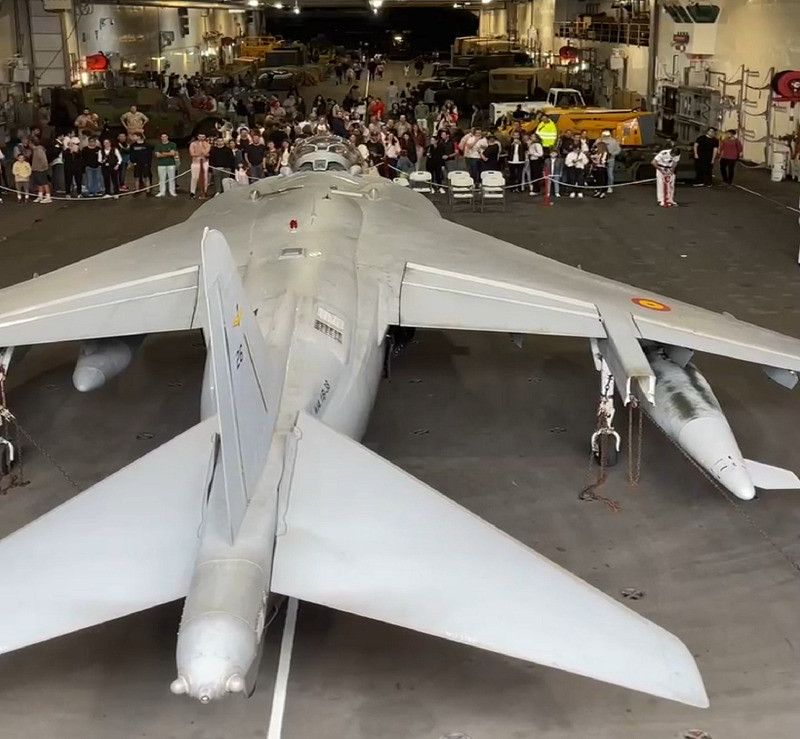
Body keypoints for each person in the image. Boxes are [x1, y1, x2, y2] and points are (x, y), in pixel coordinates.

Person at [154, 132, 179, 197]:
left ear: (167, 137)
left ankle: (172, 191)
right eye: (163, 137)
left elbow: (173, 153)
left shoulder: (173, 144)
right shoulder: (158, 145)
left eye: (165, 136)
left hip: (171, 164)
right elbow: (157, 155)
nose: (164, 138)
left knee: (172, 178)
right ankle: (162, 191)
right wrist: (168, 153)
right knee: (162, 179)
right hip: (161, 164)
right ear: (161, 138)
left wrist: (163, 153)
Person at [189, 133, 211, 198]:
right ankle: (192, 192)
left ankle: (204, 191)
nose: (201, 138)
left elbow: (205, 153)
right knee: (194, 178)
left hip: (204, 163)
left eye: (203, 137)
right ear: (197, 137)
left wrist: (201, 148)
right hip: (195, 163)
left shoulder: (207, 144)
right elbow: (192, 154)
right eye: (200, 136)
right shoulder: (192, 144)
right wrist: (200, 153)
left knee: (205, 178)